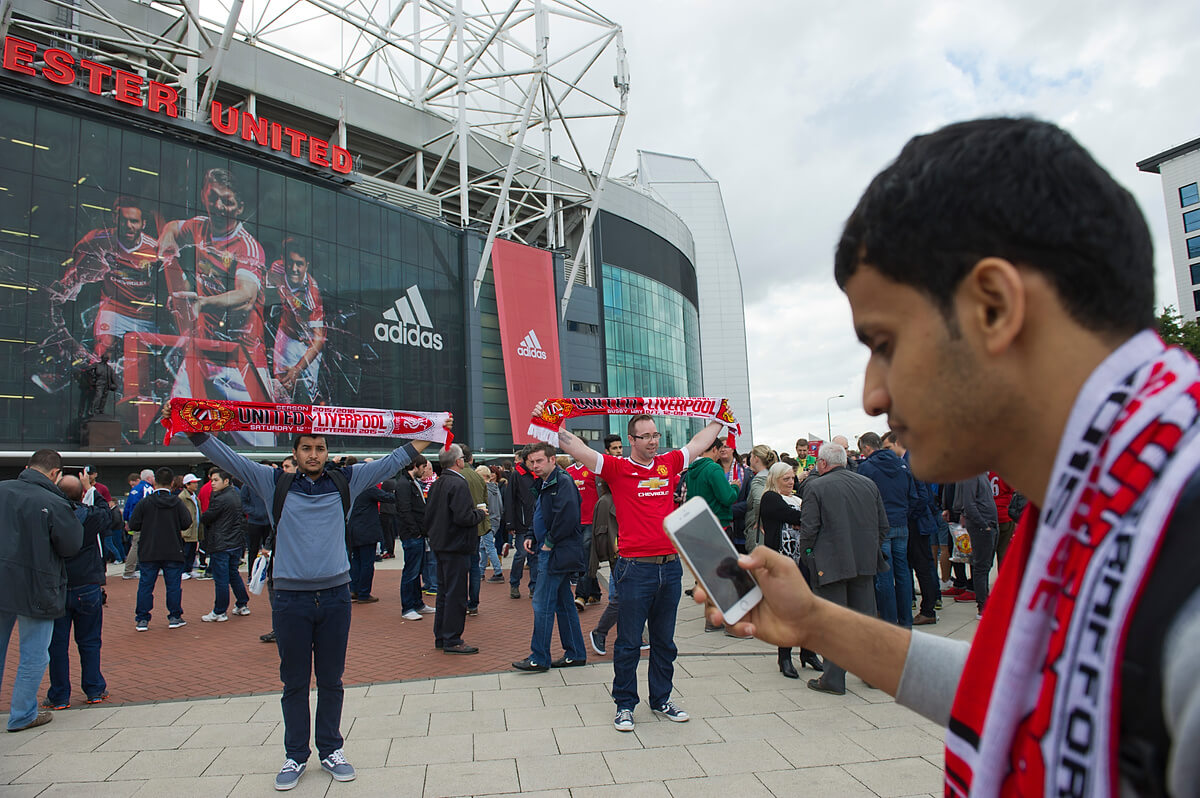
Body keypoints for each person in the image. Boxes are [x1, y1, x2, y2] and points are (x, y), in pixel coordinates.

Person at [697, 117, 1200, 795]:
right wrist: (813, 621)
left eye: (885, 342)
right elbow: (1019, 696)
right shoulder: (1107, 495)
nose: (873, 396)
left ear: (993, 307)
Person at [182, 426, 438, 791]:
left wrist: (432, 431)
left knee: (332, 680)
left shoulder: (346, 480)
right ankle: (296, 754)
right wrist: (194, 431)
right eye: (306, 449)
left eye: (319, 448)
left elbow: (394, 459)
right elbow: (229, 459)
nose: (313, 454)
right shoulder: (275, 483)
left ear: (327, 451)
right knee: (295, 682)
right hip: (290, 599)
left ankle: (331, 749)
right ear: (296, 452)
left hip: (335, 596)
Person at [549, 407, 724, 733]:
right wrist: (551, 423)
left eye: (656, 435)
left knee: (664, 642)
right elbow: (576, 448)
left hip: (670, 568)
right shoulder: (616, 468)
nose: (653, 441)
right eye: (646, 436)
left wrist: (719, 418)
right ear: (631, 439)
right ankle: (625, 704)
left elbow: (699, 443)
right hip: (634, 570)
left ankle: (661, 699)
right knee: (629, 642)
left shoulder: (668, 463)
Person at [159, 168, 271, 445]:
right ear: (204, 195)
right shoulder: (198, 226)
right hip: (201, 353)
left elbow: (246, 296)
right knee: (178, 431)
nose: (219, 207)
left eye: (228, 201)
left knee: (261, 451)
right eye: (214, 197)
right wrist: (168, 249)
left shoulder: (248, 247)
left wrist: (203, 303)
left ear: (240, 207)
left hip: (241, 361)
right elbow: (172, 227)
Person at [0, 450, 84, 732]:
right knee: (34, 653)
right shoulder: (54, 502)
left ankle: (22, 713)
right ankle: (22, 713)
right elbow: (70, 546)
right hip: (38, 584)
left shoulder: (3, 490)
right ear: (54, 474)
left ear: (27, 467)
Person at [49, 196, 159, 364]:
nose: (128, 226)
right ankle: (96, 383)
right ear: (115, 219)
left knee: (145, 364)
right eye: (123, 220)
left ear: (143, 224)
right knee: (104, 351)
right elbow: (75, 263)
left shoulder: (155, 248)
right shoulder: (98, 240)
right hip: (113, 310)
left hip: (143, 314)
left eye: (134, 221)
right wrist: (66, 288)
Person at [512, 442, 587, 672]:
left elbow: (567, 516)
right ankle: (575, 653)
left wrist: (548, 543)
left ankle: (539, 657)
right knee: (564, 604)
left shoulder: (561, 482)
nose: (535, 465)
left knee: (543, 603)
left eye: (539, 461)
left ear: (552, 459)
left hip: (555, 552)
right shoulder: (547, 482)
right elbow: (541, 512)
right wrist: (532, 535)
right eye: (532, 462)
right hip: (553, 550)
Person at [45, 475, 112, 709]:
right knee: (90, 641)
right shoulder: (90, 515)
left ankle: (59, 695)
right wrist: (90, 486)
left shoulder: (50, 517)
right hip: (87, 585)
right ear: (82, 494)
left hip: (59, 586)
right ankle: (94, 689)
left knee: (57, 645)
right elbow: (108, 512)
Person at [757, 462, 823, 678]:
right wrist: (801, 519)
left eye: (792, 478)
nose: (791, 482)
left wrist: (802, 519)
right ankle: (784, 656)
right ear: (775, 480)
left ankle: (808, 652)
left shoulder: (797, 499)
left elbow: (809, 518)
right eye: (786, 479)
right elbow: (797, 517)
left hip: (802, 562)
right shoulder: (770, 497)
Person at [423, 444, 486, 655]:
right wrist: (479, 514)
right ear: (459, 461)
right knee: (456, 594)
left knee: (444, 592)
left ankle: (442, 636)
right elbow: (463, 517)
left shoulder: (438, 483)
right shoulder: (458, 484)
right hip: (456, 545)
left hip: (441, 544)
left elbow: (430, 515)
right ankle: (452, 638)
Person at [857, 431, 919, 628]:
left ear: (867, 448)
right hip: (901, 524)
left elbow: (862, 500)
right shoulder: (902, 465)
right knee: (903, 573)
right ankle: (906, 621)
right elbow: (914, 496)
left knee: (884, 575)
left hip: (880, 527)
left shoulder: (866, 468)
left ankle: (889, 622)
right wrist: (903, 514)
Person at [882, 431, 941, 625]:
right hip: (916, 520)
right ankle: (925, 605)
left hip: (918, 523)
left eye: (889, 448)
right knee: (916, 566)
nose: (887, 453)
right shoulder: (907, 462)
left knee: (923, 566)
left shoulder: (910, 463)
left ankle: (928, 609)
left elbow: (922, 497)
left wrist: (906, 515)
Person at [129, 467, 192, 631]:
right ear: (172, 483)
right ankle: (174, 616)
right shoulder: (177, 502)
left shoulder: (145, 502)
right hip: (172, 549)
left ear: (155, 482)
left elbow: (134, 524)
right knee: (173, 586)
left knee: (146, 585)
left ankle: (142, 619)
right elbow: (187, 522)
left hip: (149, 549)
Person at [269, 237, 326, 403]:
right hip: (285, 335)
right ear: (283, 260)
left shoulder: (311, 295)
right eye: (290, 262)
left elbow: (318, 340)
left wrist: (297, 369)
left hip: (307, 346)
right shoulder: (277, 269)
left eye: (299, 264)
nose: (294, 269)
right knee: (280, 390)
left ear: (306, 265)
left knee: (307, 396)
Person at [200, 471, 251, 622]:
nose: (213, 483)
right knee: (233, 574)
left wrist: (204, 517)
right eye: (212, 480)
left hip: (221, 542)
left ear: (226, 481)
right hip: (234, 542)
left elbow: (207, 516)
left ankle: (220, 611)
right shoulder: (236, 494)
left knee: (221, 578)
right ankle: (242, 604)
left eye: (216, 480)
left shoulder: (220, 498)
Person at [951, 472, 998, 618]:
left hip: (989, 524)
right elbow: (969, 504)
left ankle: (985, 602)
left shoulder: (982, 474)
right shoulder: (971, 475)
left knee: (985, 566)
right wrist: (984, 525)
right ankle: (982, 606)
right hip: (982, 526)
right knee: (981, 567)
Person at [397, 457, 435, 621]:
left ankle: (417, 603)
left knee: (416, 570)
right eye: (424, 467)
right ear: (416, 466)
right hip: (413, 534)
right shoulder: (405, 484)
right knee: (411, 572)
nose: (425, 470)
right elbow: (405, 510)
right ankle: (408, 607)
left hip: (417, 533)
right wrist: (416, 531)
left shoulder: (410, 483)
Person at [346, 481, 395, 603]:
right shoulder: (368, 488)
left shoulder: (352, 488)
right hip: (367, 531)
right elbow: (388, 498)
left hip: (353, 529)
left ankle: (354, 589)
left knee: (356, 561)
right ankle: (364, 593)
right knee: (367, 563)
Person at [566, 455, 601, 608]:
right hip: (574, 522)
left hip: (590, 522)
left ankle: (581, 595)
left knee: (584, 559)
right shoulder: (568, 472)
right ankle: (595, 592)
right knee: (582, 558)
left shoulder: (593, 470)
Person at [460, 446, 490, 616]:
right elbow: (485, 502)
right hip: (477, 526)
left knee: (461, 567)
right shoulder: (478, 478)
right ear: (470, 459)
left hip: (461, 527)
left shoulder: (456, 476)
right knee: (474, 565)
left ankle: (463, 601)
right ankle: (474, 603)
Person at [505, 447, 537, 599]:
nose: (534, 464)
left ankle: (534, 587)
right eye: (532, 461)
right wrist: (510, 523)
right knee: (521, 554)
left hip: (537, 522)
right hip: (522, 523)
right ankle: (514, 584)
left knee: (535, 557)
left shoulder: (539, 474)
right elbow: (509, 499)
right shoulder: (517, 475)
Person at [122, 468, 154, 580]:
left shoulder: (135, 489)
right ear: (149, 478)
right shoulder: (148, 489)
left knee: (136, 544)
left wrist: (127, 520)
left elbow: (128, 506)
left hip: (135, 520)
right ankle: (129, 571)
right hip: (145, 521)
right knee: (138, 545)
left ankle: (132, 569)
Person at [475, 465, 504, 582]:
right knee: (484, 546)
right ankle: (481, 571)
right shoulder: (495, 488)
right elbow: (500, 507)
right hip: (495, 519)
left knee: (488, 546)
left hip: (487, 521)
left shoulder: (485, 489)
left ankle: (498, 572)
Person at [178, 474, 202, 579]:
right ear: (187, 485)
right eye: (193, 483)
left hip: (194, 529)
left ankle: (189, 569)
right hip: (187, 530)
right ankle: (183, 570)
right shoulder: (182, 497)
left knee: (192, 551)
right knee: (186, 551)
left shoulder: (194, 496)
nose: (196, 484)